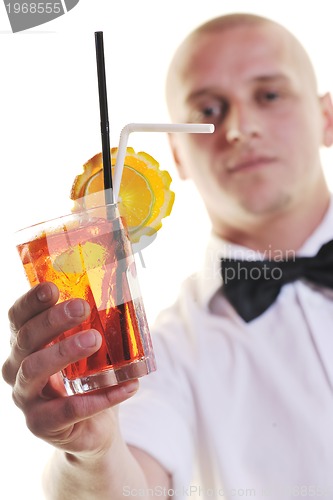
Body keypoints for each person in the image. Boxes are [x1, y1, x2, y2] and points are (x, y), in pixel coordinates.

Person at [3, 12, 333, 500]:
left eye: (269, 95)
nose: (240, 128)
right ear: (177, 153)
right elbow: (129, 487)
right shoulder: (168, 351)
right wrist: (90, 450)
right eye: (208, 110)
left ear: (326, 117)